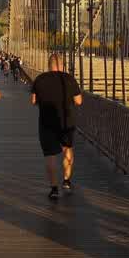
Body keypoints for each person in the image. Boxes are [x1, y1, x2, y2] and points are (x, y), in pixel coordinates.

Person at [31, 52, 83, 200]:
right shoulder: (69, 79)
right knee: (67, 149)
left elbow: (33, 101)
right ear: (62, 65)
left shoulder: (40, 79)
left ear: (49, 65)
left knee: (50, 156)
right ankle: (66, 180)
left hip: (46, 122)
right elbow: (79, 101)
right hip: (66, 121)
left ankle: (54, 188)